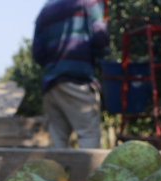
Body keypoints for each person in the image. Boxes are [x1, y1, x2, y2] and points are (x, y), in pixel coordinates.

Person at [32, 0, 109, 149]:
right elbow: (101, 39)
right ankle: (88, 173)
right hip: (77, 80)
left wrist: (53, 65)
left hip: (51, 83)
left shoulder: (46, 9)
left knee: (57, 140)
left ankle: (55, 172)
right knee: (88, 134)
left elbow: (37, 52)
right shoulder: (90, 3)